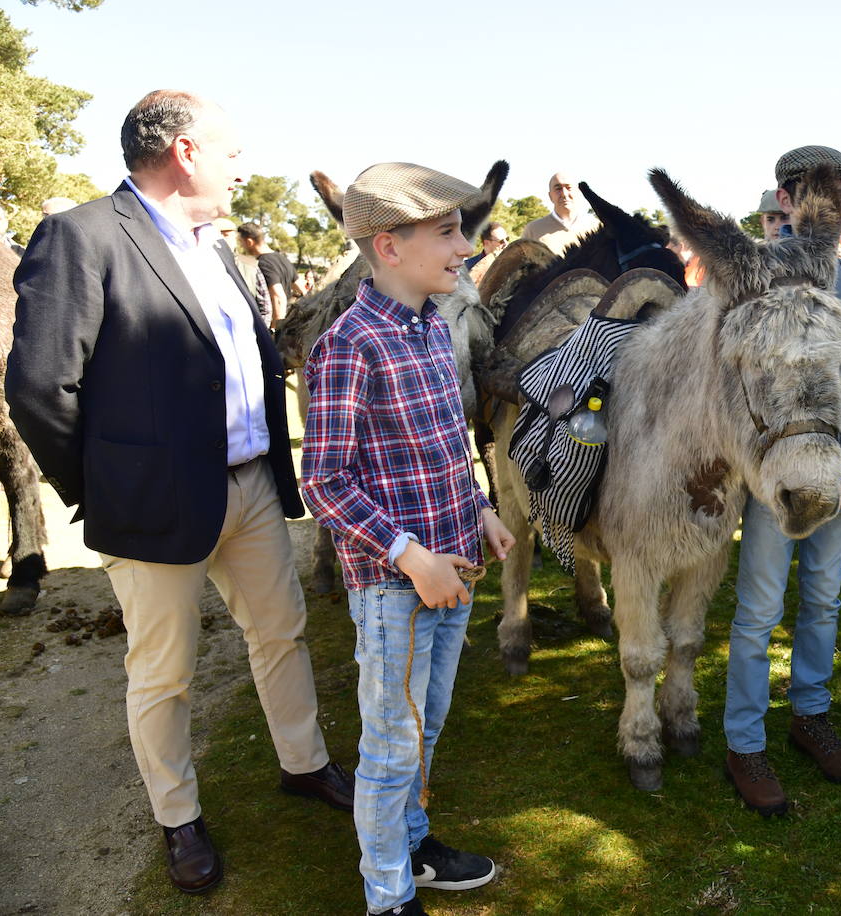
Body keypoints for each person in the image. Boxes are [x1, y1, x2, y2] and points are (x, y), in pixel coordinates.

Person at [7, 89, 352, 895]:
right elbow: (38, 387)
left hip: (254, 488)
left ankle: (305, 765)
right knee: (162, 672)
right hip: (151, 503)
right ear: (187, 152)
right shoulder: (81, 235)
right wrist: (102, 485)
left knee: (282, 634)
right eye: (232, 152)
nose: (243, 167)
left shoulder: (215, 245)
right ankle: (177, 817)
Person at [301, 161, 517, 915]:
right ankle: (387, 896)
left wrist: (480, 507)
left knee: (425, 731)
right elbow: (324, 482)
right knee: (391, 751)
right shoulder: (348, 346)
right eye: (450, 231)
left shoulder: (431, 327)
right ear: (388, 247)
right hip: (399, 588)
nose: (468, 245)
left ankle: (415, 845)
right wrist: (410, 554)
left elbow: (445, 442)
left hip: (451, 571)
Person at [722, 145, 841, 816]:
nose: (832, 201)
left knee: (822, 603)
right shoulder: (754, 273)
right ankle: (744, 741)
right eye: (819, 190)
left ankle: (810, 715)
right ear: (786, 199)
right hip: (776, 479)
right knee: (760, 612)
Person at [519, 172, 600, 256]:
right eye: (558, 189)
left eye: (568, 188)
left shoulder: (596, 227)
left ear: (578, 192)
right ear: (550, 196)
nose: (564, 194)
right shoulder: (533, 230)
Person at [237, 221, 298, 327]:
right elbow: (301, 289)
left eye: (241, 242)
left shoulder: (263, 263)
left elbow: (278, 297)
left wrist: (275, 330)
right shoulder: (282, 259)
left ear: (249, 242)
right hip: (287, 321)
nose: (241, 246)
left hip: (275, 323)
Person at [465, 221, 507, 287]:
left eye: (507, 239)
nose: (506, 244)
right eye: (501, 241)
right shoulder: (467, 267)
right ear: (487, 243)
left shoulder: (514, 265)